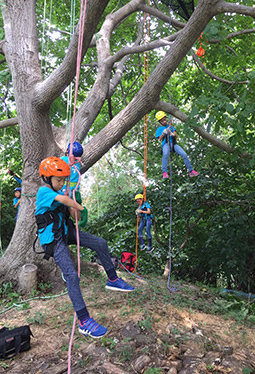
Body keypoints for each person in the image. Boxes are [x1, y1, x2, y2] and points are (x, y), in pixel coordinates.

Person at [35, 156, 134, 339]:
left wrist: (76, 205)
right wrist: (74, 200)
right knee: (72, 276)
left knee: (101, 243)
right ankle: (84, 321)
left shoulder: (63, 194)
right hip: (53, 240)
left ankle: (112, 279)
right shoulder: (44, 192)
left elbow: (77, 217)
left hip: (66, 232)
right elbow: (66, 201)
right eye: (58, 180)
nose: (61, 183)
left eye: (64, 180)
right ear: (47, 178)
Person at [155, 111, 199, 179]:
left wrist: (172, 133)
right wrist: (164, 133)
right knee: (166, 153)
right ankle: (164, 172)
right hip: (166, 144)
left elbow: (176, 136)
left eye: (165, 119)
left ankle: (191, 171)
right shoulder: (159, 129)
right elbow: (159, 138)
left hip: (173, 144)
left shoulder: (171, 126)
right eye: (162, 120)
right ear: (160, 122)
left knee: (184, 154)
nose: (164, 121)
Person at [60, 142, 88, 228]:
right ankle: (78, 219)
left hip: (65, 189)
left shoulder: (64, 159)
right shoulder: (78, 163)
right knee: (72, 205)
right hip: (75, 190)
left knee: (67, 205)